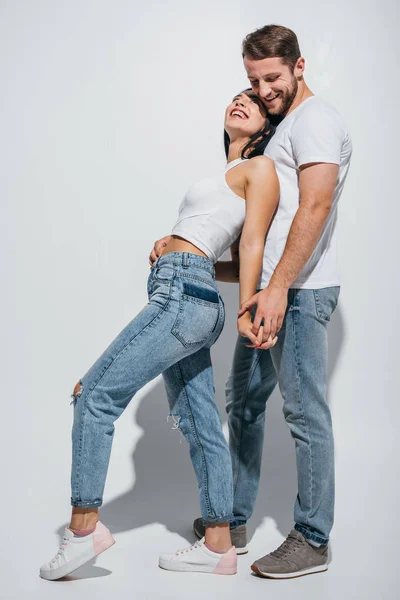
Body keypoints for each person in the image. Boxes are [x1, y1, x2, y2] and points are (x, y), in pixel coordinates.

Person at [39, 90, 279, 580]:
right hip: (189, 289)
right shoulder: (223, 175)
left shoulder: (261, 169)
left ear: (264, 127)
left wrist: (248, 306)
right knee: (200, 424)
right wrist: (173, 242)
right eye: (235, 97)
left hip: (183, 295)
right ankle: (218, 542)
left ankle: (83, 531)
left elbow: (253, 241)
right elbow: (215, 241)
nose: (240, 102)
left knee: (94, 396)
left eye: (252, 102)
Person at [151, 24, 352, 579]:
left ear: (300, 66)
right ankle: (234, 519)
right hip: (269, 293)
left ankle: (313, 537)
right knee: (242, 402)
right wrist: (184, 253)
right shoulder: (284, 128)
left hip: (299, 292)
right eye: (253, 79)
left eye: (273, 77)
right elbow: (259, 237)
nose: (264, 90)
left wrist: (281, 289)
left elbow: (315, 209)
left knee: (304, 411)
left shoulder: (316, 121)